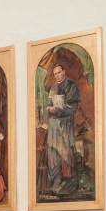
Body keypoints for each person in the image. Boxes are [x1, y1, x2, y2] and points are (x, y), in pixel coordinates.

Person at [45, 64, 81, 194]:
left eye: (59, 72)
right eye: (55, 74)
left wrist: (59, 110)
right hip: (53, 126)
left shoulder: (72, 85)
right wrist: (49, 109)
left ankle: (69, 186)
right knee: (53, 154)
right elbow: (48, 105)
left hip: (65, 125)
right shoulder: (53, 88)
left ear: (64, 72)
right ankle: (55, 184)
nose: (57, 75)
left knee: (66, 152)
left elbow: (71, 108)